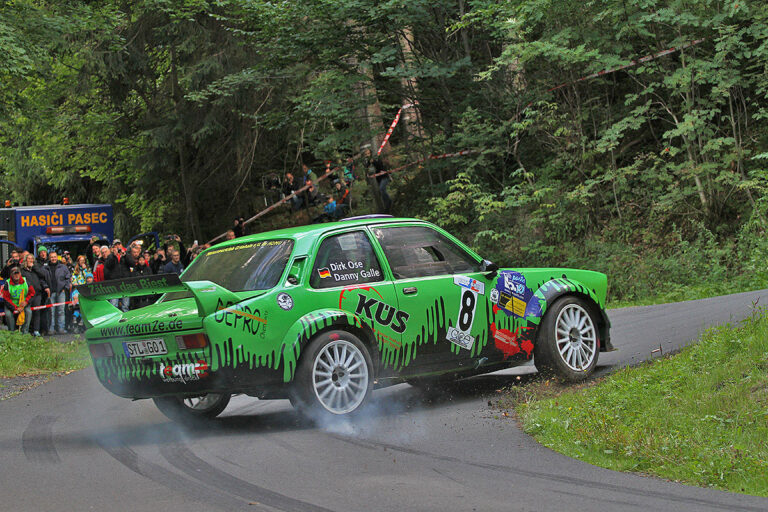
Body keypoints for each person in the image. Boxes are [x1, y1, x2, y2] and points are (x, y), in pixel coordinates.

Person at [1, 266, 34, 333]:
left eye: (17, 273)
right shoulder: (7, 283)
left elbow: (32, 293)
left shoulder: (26, 281)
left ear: (20, 273)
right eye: (14, 274)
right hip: (11, 304)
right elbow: (6, 298)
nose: (16, 275)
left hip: (23, 303)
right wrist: (15, 308)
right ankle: (12, 332)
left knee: (28, 312)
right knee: (8, 314)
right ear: (11, 275)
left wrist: (26, 302)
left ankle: (25, 332)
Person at [21, 254, 45, 336]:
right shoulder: (22, 270)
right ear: (26, 260)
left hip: (37, 293)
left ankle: (36, 330)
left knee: (37, 311)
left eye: (32, 259)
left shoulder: (36, 269)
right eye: (29, 259)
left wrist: (34, 267)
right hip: (27, 294)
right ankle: (26, 330)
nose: (31, 260)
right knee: (27, 312)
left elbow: (43, 275)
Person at [47, 252, 71, 334]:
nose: (53, 258)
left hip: (61, 292)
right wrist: (46, 287)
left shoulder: (63, 267)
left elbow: (68, 277)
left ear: (57, 258)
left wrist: (65, 288)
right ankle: (51, 329)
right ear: (49, 258)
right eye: (51, 257)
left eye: (55, 257)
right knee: (51, 312)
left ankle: (61, 328)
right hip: (51, 292)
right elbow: (43, 279)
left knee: (61, 311)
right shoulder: (46, 268)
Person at [104, 240, 130, 311]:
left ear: (121, 245)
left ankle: (126, 316)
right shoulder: (110, 256)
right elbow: (108, 266)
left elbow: (132, 263)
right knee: (114, 304)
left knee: (125, 305)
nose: (118, 246)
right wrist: (114, 256)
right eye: (116, 245)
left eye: (119, 244)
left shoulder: (126, 254)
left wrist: (125, 255)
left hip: (125, 283)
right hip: (114, 284)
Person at [35, 245, 52, 335]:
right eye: (41, 252)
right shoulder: (37, 263)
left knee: (50, 311)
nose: (43, 254)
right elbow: (40, 277)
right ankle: (43, 329)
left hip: (51, 289)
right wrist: (45, 286)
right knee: (42, 311)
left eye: (44, 252)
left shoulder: (49, 262)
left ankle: (49, 328)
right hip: (42, 290)